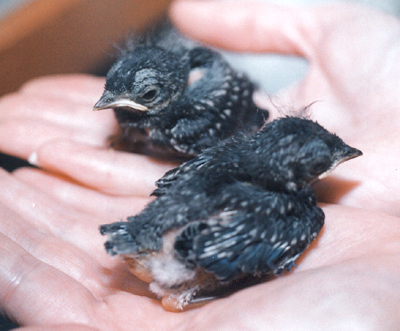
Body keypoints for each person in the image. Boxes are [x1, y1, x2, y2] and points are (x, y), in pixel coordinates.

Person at [0, 1, 399, 330]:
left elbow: (189, 184)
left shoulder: (205, 128)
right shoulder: (297, 216)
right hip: (168, 244)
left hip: (167, 241)